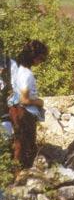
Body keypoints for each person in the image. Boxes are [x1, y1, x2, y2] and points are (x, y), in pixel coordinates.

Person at [8, 40, 48, 168]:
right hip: (25, 113)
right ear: (35, 58)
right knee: (26, 146)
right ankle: (22, 173)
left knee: (18, 143)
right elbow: (24, 100)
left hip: (14, 109)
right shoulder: (27, 74)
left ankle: (16, 170)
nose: (41, 62)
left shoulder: (17, 69)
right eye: (41, 58)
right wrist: (39, 102)